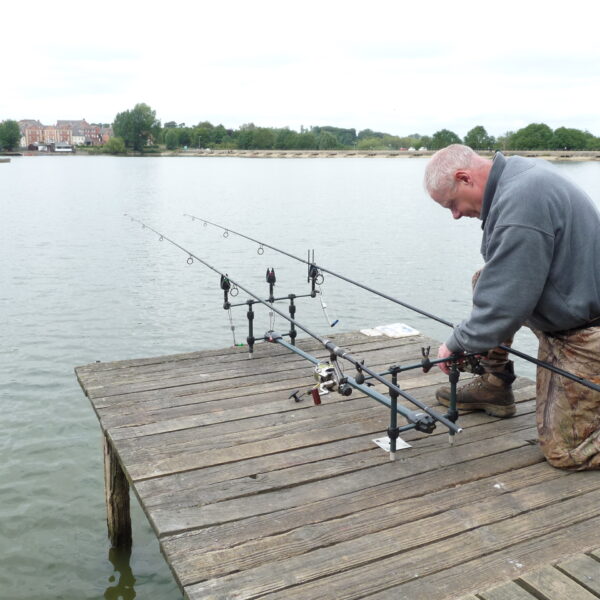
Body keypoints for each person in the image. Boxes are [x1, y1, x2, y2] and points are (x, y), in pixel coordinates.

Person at [423, 144, 600, 470]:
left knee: (568, 452)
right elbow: (503, 282)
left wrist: (456, 343)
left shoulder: (521, 201)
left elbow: (505, 302)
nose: (456, 215)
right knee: (485, 279)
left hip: (585, 331)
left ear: (465, 178)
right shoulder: (516, 175)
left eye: (452, 204)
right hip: (565, 305)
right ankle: (495, 385)